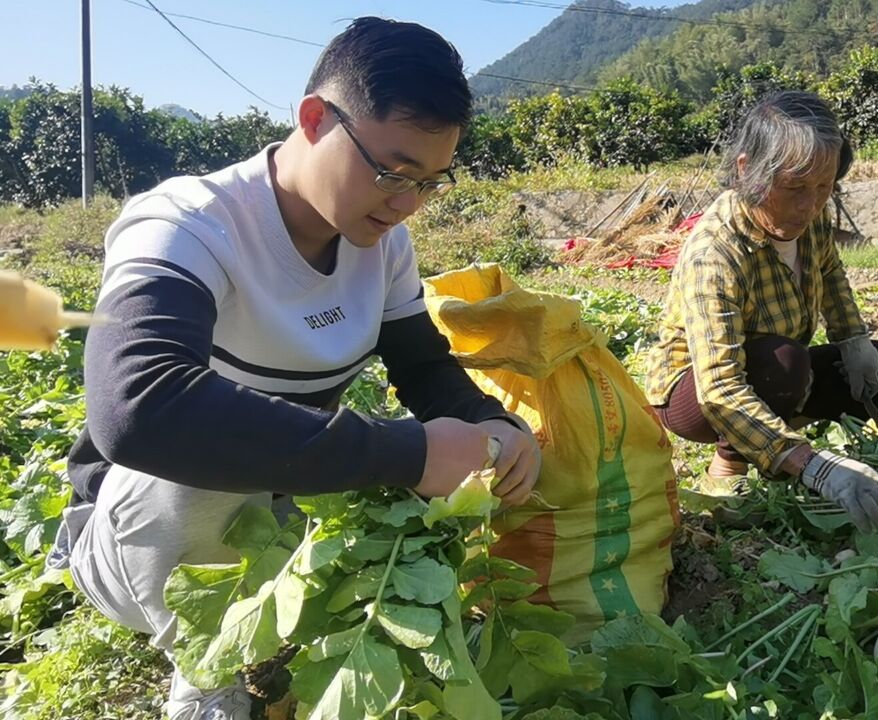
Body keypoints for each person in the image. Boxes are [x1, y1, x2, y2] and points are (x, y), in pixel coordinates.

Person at [47, 18, 541, 720]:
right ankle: (208, 684)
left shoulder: (383, 246)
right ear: (314, 119)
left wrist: (494, 425)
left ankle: (283, 641)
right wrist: (408, 451)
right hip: (138, 543)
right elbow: (139, 409)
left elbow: (427, 373)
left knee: (441, 480)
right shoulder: (189, 225)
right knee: (207, 468)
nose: (404, 204)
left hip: (282, 524)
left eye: (429, 183)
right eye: (389, 172)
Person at [645, 91, 878, 535]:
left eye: (823, 188)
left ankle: (775, 440)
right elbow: (719, 388)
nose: (809, 206)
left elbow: (831, 276)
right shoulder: (714, 253)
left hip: (778, 371)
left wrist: (853, 339)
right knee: (783, 363)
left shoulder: (812, 224)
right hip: (694, 395)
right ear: (747, 169)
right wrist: (818, 469)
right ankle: (732, 463)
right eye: (794, 189)